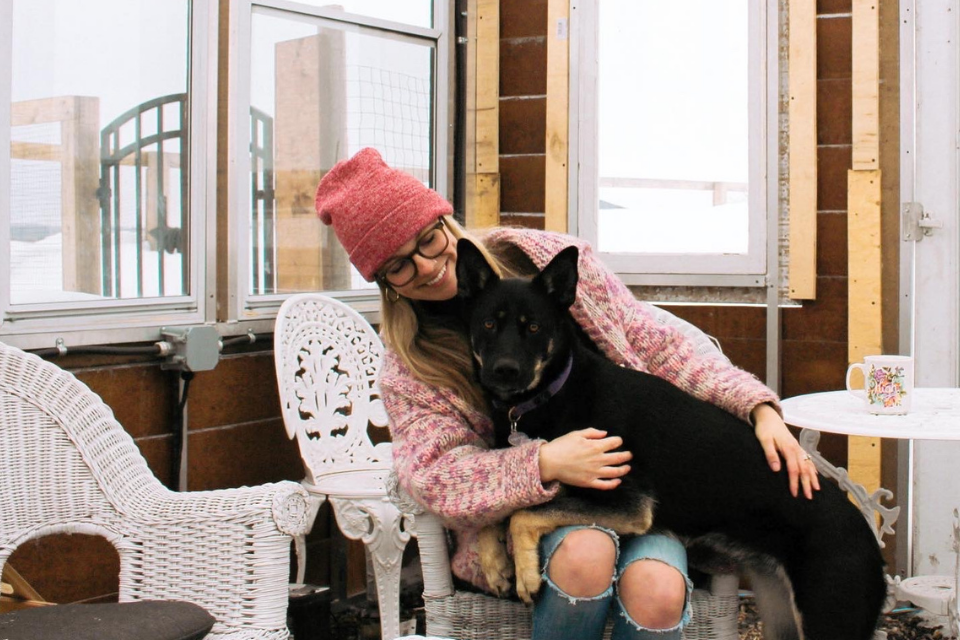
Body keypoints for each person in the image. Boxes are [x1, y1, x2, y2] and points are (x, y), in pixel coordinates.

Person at [315, 147, 820, 640]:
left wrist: (756, 408)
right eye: (398, 266)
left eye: (427, 239)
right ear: (385, 284)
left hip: (637, 491)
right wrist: (544, 463)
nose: (425, 266)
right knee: (585, 558)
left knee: (659, 591)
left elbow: (659, 346)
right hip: (514, 521)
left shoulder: (539, 258)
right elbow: (436, 477)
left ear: (446, 222)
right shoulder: (411, 364)